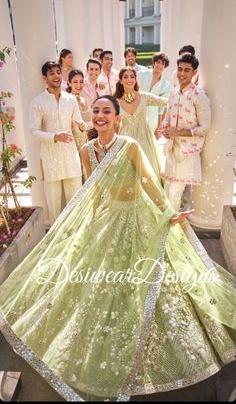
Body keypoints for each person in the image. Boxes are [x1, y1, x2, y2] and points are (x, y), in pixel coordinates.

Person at [0, 95, 235, 403]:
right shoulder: (86, 150)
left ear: (116, 118)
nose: (100, 116)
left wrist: (168, 212)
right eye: (95, 111)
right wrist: (90, 223)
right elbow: (94, 188)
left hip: (138, 216)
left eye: (106, 111)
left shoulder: (130, 146)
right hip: (107, 219)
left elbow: (150, 183)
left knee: (154, 277)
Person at [30, 61, 85, 225]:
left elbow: (78, 122)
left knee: (76, 201)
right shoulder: (38, 102)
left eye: (58, 72)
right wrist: (55, 136)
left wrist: (81, 126)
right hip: (50, 158)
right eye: (52, 73)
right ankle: (55, 240)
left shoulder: (71, 100)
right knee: (54, 207)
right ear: (44, 78)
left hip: (71, 156)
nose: (56, 76)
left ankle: (76, 236)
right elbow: (34, 131)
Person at [161, 54, 211, 211]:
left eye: (187, 70)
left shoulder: (200, 96)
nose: (182, 74)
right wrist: (165, 129)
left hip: (188, 151)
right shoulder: (174, 92)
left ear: (194, 72)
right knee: (167, 188)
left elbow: (205, 127)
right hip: (171, 148)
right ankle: (168, 225)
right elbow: (167, 116)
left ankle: (173, 228)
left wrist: (178, 132)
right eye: (180, 69)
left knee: (176, 190)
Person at [114, 67, 168, 178]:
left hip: (145, 139)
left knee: (147, 171)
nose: (129, 79)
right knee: (128, 173)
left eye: (132, 76)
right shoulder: (115, 101)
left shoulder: (144, 97)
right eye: (125, 77)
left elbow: (166, 102)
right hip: (125, 139)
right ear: (120, 80)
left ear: (136, 79)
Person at [138, 53, 171, 133]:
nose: (159, 65)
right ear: (153, 63)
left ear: (164, 67)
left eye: (162, 64)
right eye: (158, 62)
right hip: (137, 111)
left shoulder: (166, 85)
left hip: (152, 117)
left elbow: (161, 108)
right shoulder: (141, 74)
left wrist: (159, 126)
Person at [66, 69, 89, 151]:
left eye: (81, 82)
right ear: (69, 83)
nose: (79, 85)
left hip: (86, 142)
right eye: (75, 82)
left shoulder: (85, 100)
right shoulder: (66, 101)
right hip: (72, 144)